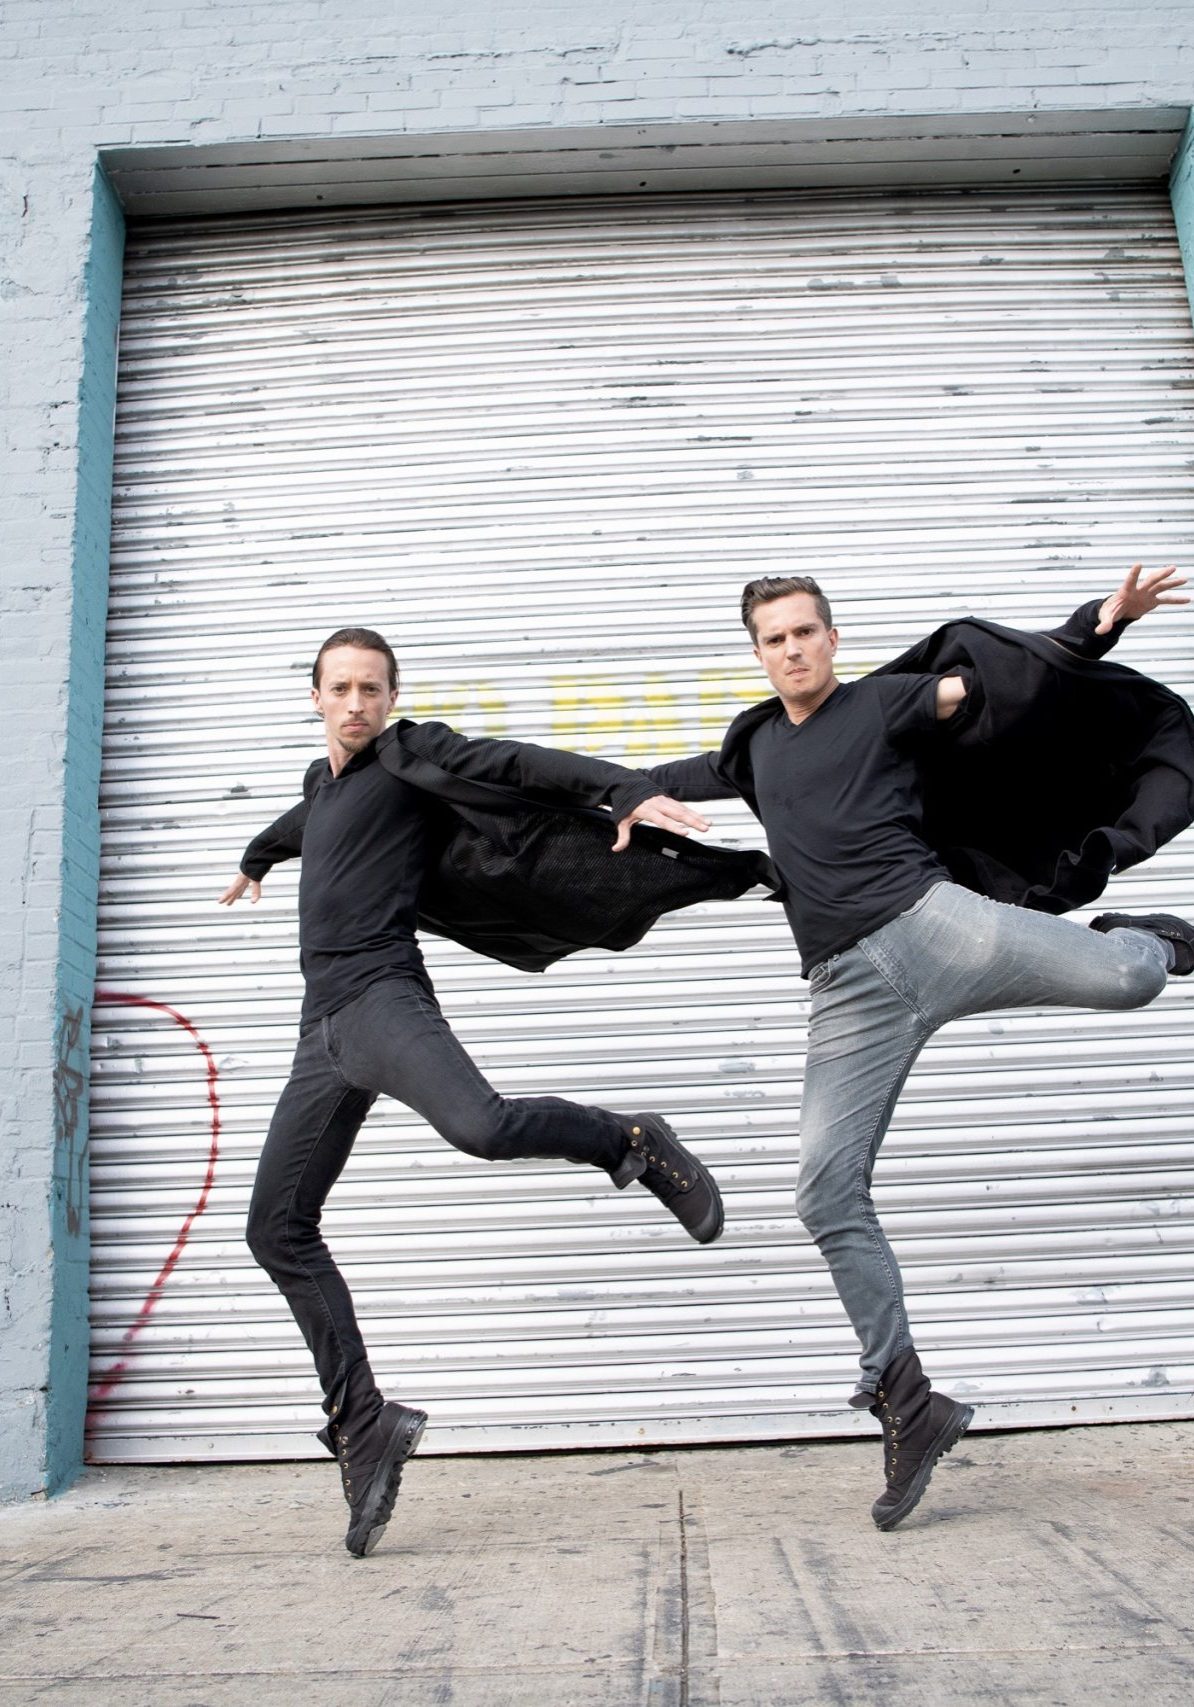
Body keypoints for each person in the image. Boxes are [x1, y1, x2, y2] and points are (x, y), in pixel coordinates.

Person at [647, 564, 1194, 1531]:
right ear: (758, 652)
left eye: (808, 630)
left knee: (1130, 979)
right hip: (847, 991)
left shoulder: (885, 705)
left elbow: (1006, 681)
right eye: (775, 638)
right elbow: (670, 780)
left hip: (937, 926)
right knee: (821, 1188)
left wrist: (1102, 622)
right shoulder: (756, 749)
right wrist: (615, 800)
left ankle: (1149, 936)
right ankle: (908, 1399)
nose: (794, 648)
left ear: (832, 636)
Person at [219, 626, 725, 1559]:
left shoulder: (411, 756)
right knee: (274, 1227)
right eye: (342, 689)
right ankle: (363, 1421)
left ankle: (630, 1141)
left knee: (482, 1126)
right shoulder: (321, 783)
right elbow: (302, 828)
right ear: (317, 696)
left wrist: (621, 790)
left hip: (380, 998)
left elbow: (519, 764)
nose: (358, 704)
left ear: (391, 695)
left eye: (373, 688)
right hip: (318, 1032)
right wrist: (255, 859)